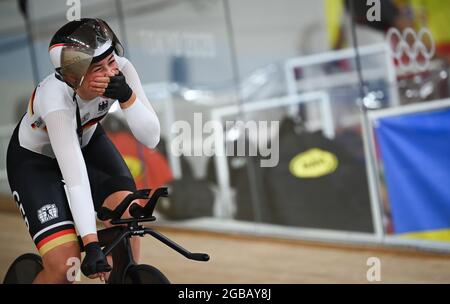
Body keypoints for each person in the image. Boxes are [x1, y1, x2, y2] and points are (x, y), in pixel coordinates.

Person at [6, 18, 160, 283]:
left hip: (86, 141)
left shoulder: (123, 70)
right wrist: (90, 244)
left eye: (111, 61)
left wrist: (127, 96)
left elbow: (151, 138)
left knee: (129, 214)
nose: (111, 73)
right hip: (36, 161)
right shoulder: (55, 98)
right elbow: (76, 178)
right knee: (66, 267)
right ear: (74, 76)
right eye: (98, 68)